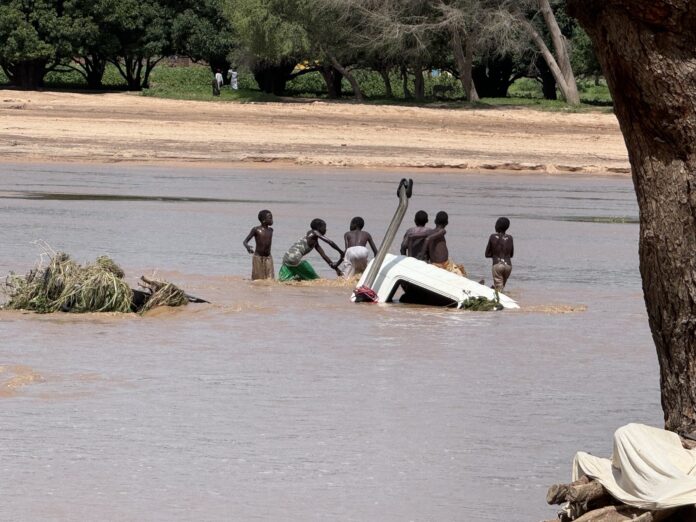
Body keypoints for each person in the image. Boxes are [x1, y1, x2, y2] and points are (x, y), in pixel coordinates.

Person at [279, 219, 344, 281]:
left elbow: (324, 256)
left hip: (286, 257)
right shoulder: (314, 232)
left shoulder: (314, 241)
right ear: (318, 228)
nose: (325, 230)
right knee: (314, 278)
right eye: (324, 227)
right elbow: (329, 242)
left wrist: (337, 269)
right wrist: (340, 251)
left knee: (296, 276)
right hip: (295, 256)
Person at [420, 211, 466, 276]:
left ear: (435, 221)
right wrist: (421, 258)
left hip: (446, 264)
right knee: (459, 274)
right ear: (447, 223)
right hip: (438, 265)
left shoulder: (430, 233)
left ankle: (473, 285)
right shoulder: (442, 231)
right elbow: (428, 240)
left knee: (460, 271)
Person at [242, 210, 274, 280]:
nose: (272, 219)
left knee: (271, 279)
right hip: (258, 258)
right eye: (270, 218)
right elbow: (245, 241)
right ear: (263, 220)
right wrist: (247, 247)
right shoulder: (256, 229)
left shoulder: (271, 230)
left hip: (268, 257)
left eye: (272, 217)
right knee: (257, 280)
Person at [485, 217, 514, 291]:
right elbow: (511, 254)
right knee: (501, 287)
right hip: (508, 266)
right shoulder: (510, 238)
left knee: (499, 290)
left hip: (497, 265)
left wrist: (495, 255)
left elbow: (487, 254)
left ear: (497, 226)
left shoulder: (492, 236)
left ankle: (498, 301)